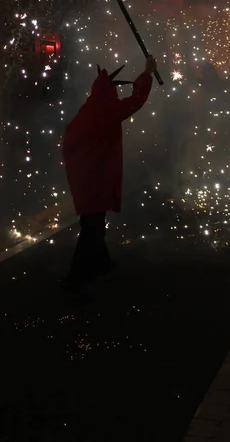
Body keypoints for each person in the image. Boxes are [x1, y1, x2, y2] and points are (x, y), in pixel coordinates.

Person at [62, 55, 158, 287]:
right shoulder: (104, 111)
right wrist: (147, 73)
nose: (115, 94)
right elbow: (135, 101)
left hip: (86, 175)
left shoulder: (90, 108)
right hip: (93, 176)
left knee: (93, 221)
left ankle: (101, 263)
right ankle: (75, 279)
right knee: (92, 227)